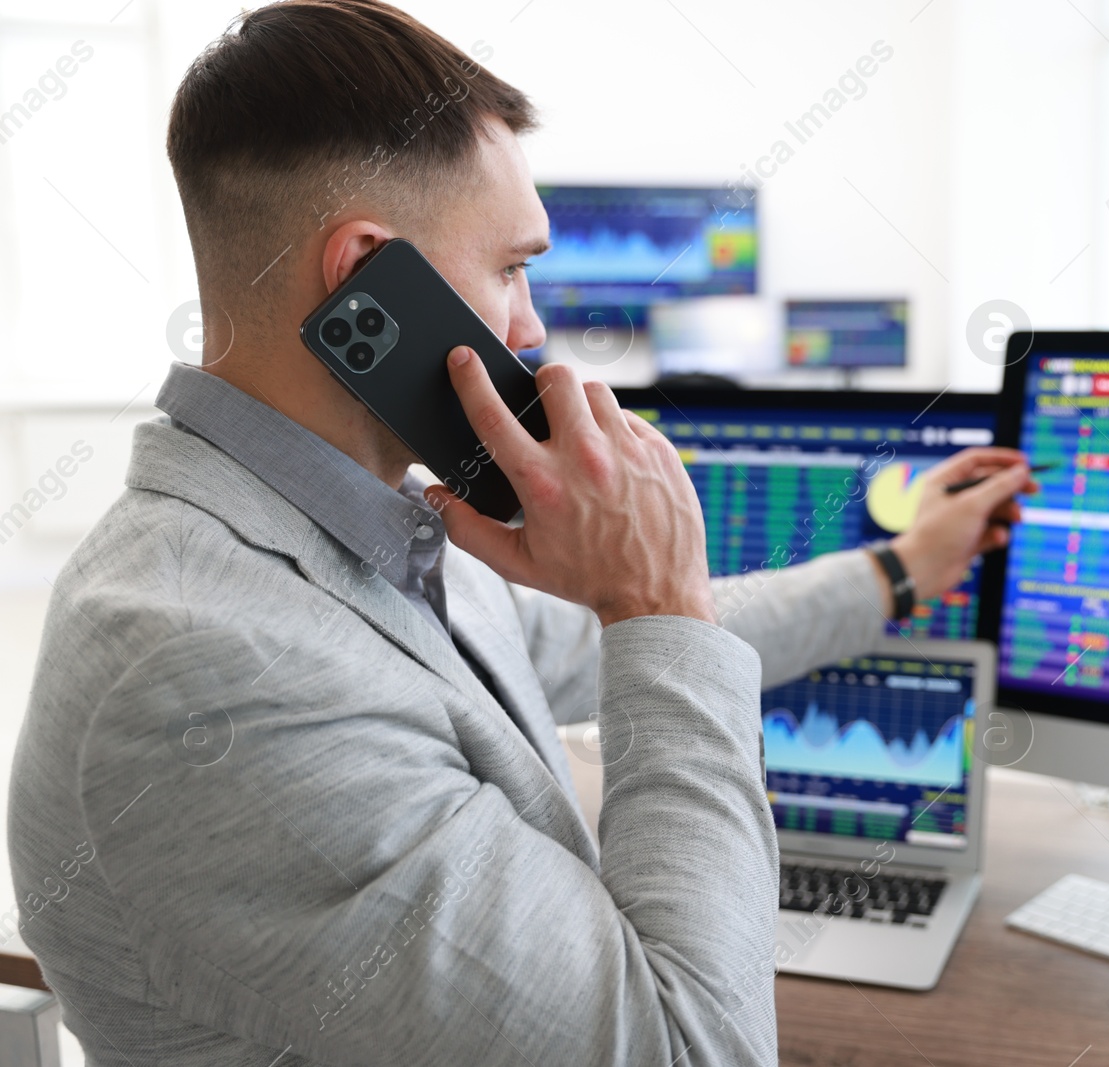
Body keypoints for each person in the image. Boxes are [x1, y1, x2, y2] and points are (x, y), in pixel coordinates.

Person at [7, 2, 1035, 1064]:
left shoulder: (368, 527)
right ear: (368, 276)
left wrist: (899, 569)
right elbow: (695, 1049)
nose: (533, 326)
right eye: (510, 267)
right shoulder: (207, 668)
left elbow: (603, 650)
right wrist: (657, 603)